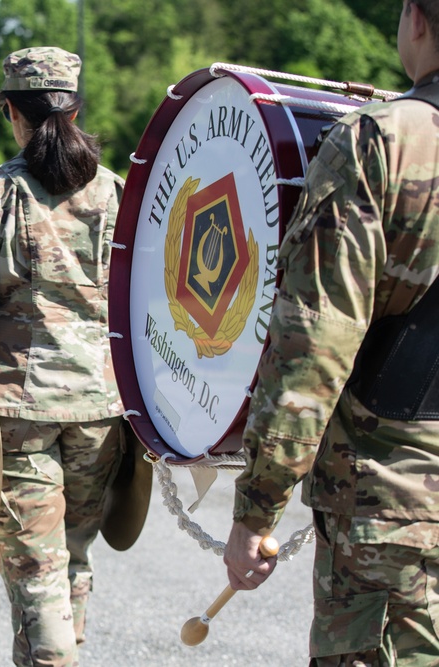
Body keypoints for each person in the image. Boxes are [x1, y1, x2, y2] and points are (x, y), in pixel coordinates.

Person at [223, 2, 439, 664]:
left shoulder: (382, 140)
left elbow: (313, 347)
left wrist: (256, 510)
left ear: (417, 19)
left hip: (391, 513)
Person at [0, 47, 126, 667]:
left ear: (12, 111)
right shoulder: (119, 193)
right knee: (68, 561)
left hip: (18, 411)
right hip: (101, 409)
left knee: (36, 574)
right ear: (74, 109)